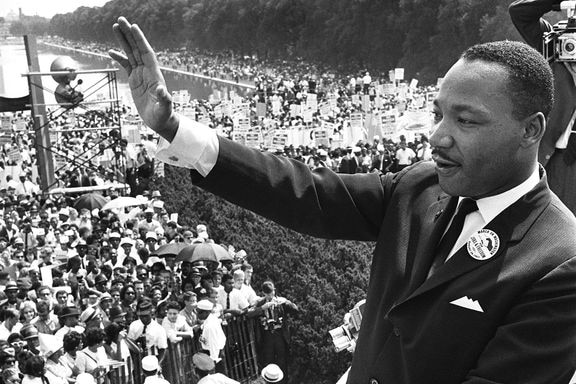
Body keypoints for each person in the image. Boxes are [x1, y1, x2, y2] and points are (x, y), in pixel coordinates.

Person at [110, 18, 576, 384]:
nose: (437, 137)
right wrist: (176, 131)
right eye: (437, 114)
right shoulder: (420, 186)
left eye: (466, 121)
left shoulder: (559, 260)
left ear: (531, 130)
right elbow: (308, 192)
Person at [509, 0, 576, 215]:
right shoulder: (552, 43)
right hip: (556, 154)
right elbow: (519, 12)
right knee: (550, 222)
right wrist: (559, 2)